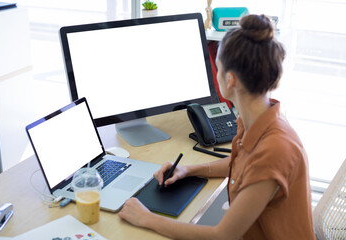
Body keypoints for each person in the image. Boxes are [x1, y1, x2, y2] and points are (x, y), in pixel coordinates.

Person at [118, 14, 315, 240]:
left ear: (229, 79)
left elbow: (222, 235)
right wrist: (188, 170)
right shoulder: (260, 120)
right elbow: (242, 164)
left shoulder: (275, 149)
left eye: (217, 68)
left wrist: (147, 218)